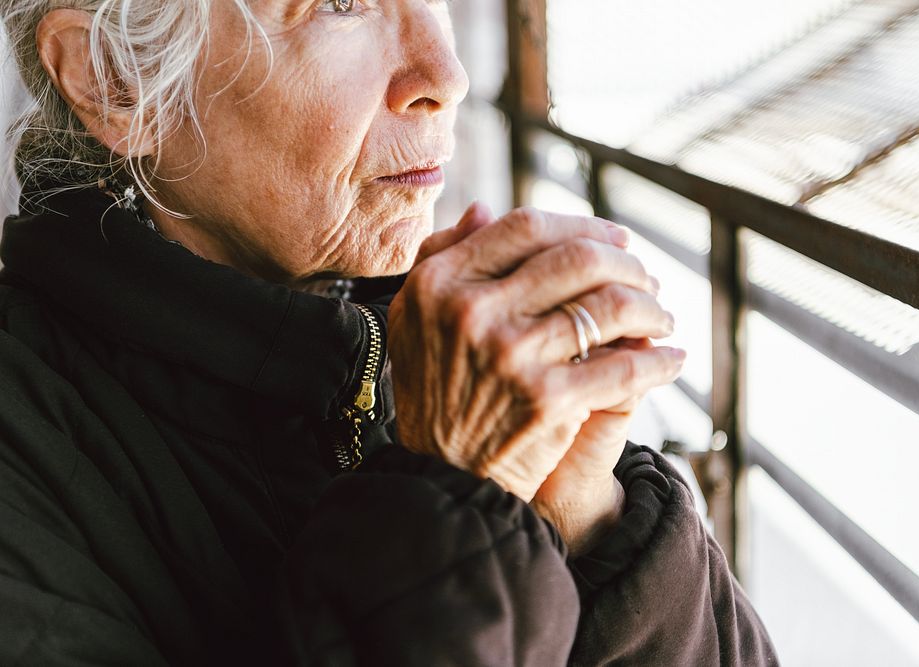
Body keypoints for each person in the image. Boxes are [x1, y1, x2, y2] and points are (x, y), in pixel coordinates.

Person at [0, 1, 777, 665]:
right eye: (341, 2)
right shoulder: (25, 450)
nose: (445, 74)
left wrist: (594, 528)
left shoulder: (432, 342)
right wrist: (457, 505)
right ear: (114, 80)